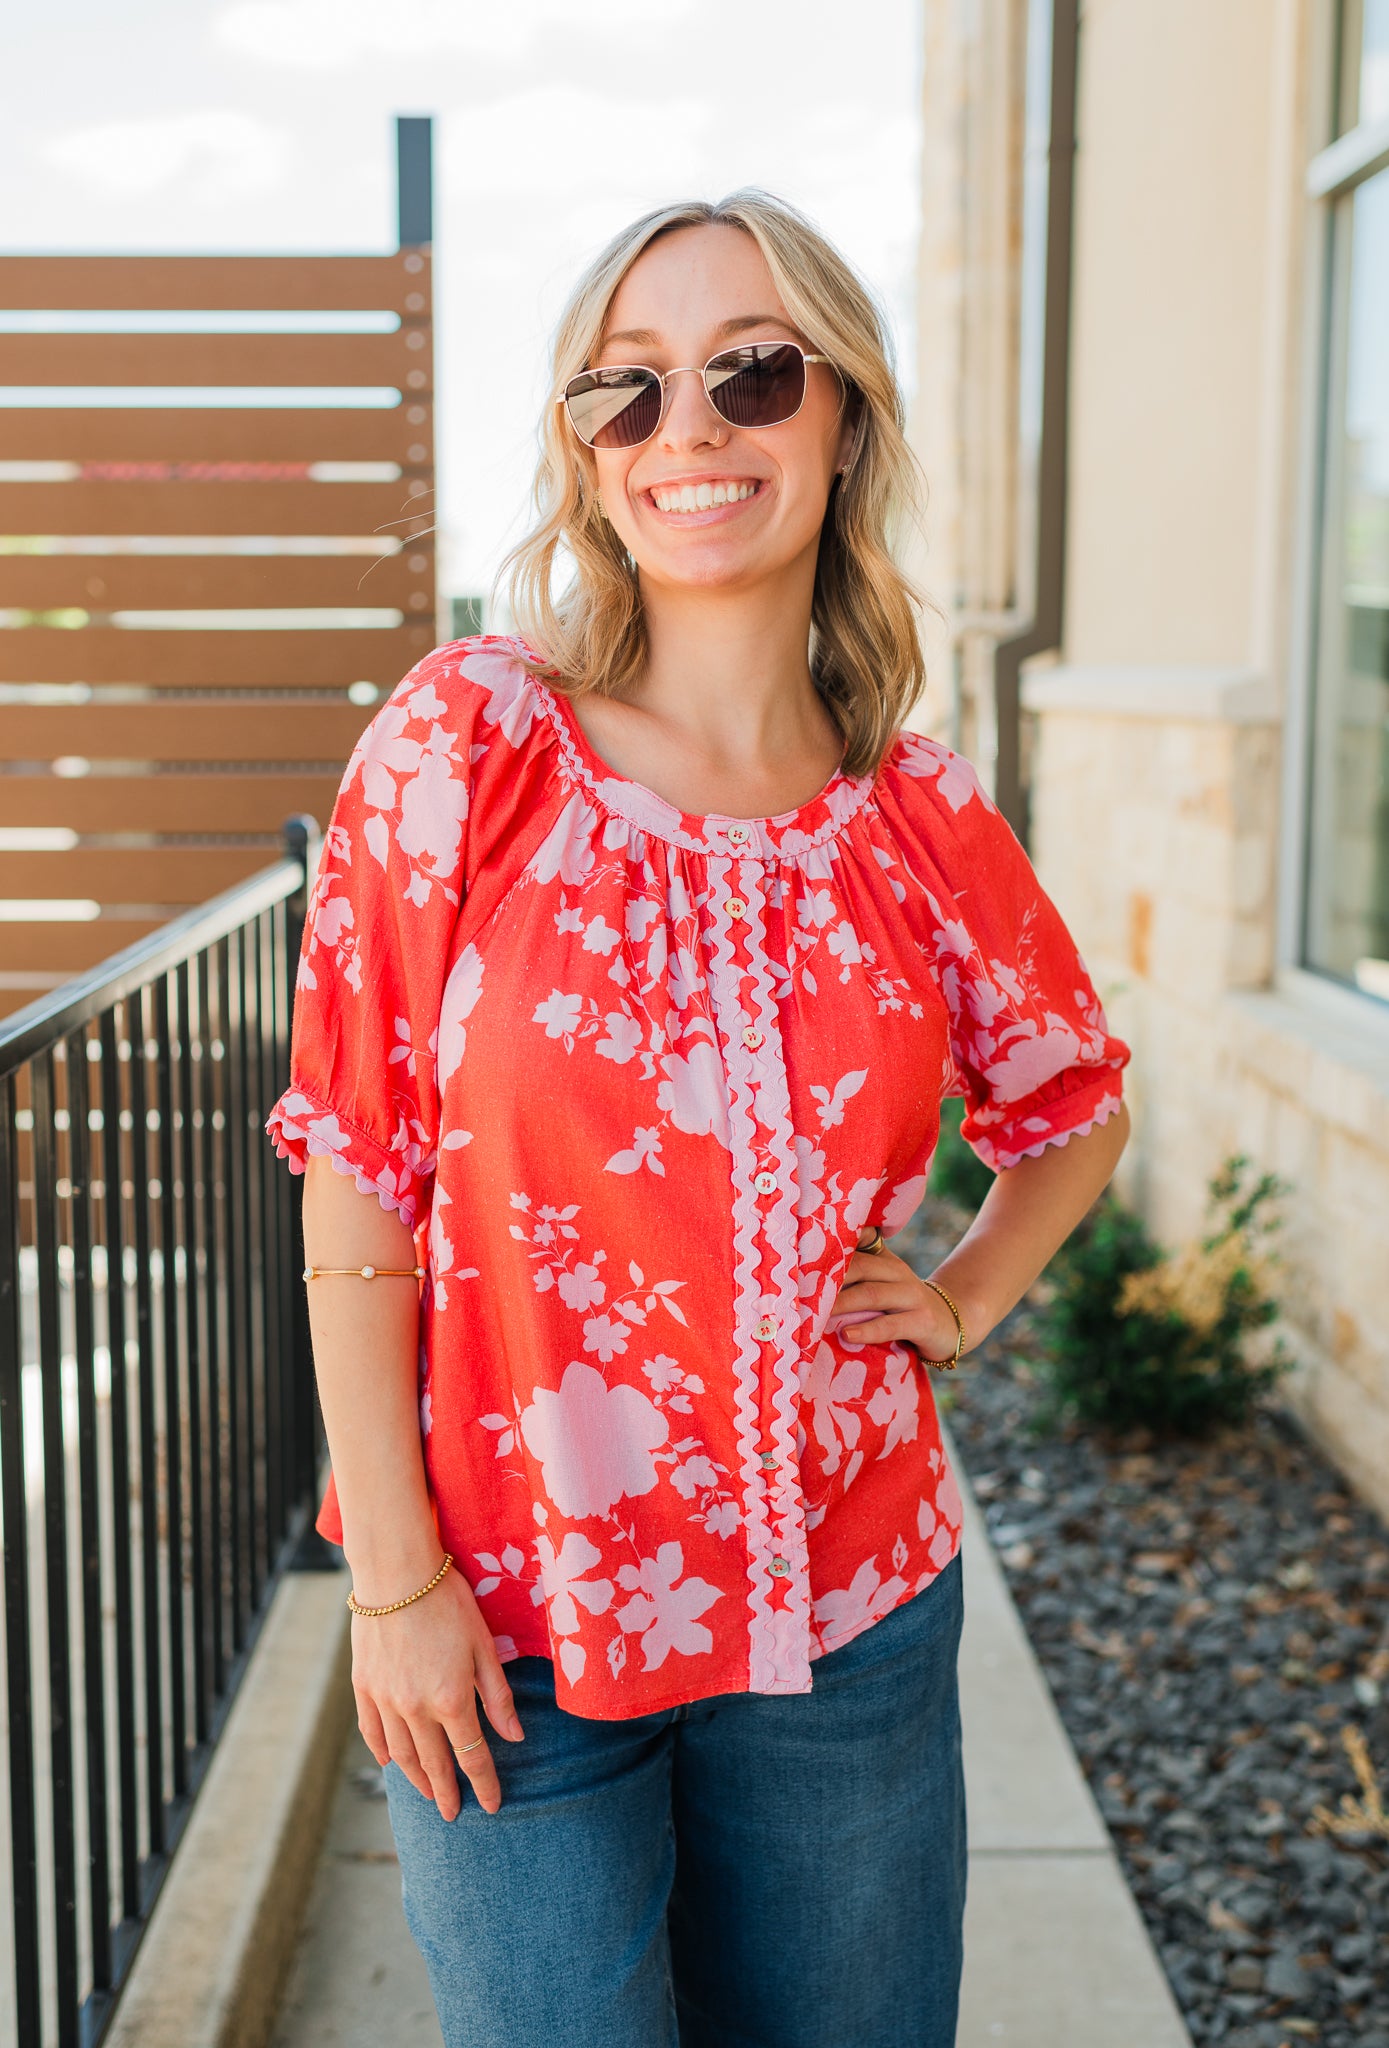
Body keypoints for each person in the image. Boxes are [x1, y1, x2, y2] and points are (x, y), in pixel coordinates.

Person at [266, 188, 1130, 2048]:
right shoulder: (467, 746)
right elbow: (355, 1170)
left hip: (850, 1604)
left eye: (751, 374)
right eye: (629, 391)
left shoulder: (915, 811)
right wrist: (393, 1582)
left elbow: (1071, 1099)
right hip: (507, 1623)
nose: (693, 434)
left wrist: (964, 1299)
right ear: (585, 450)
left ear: (842, 416)